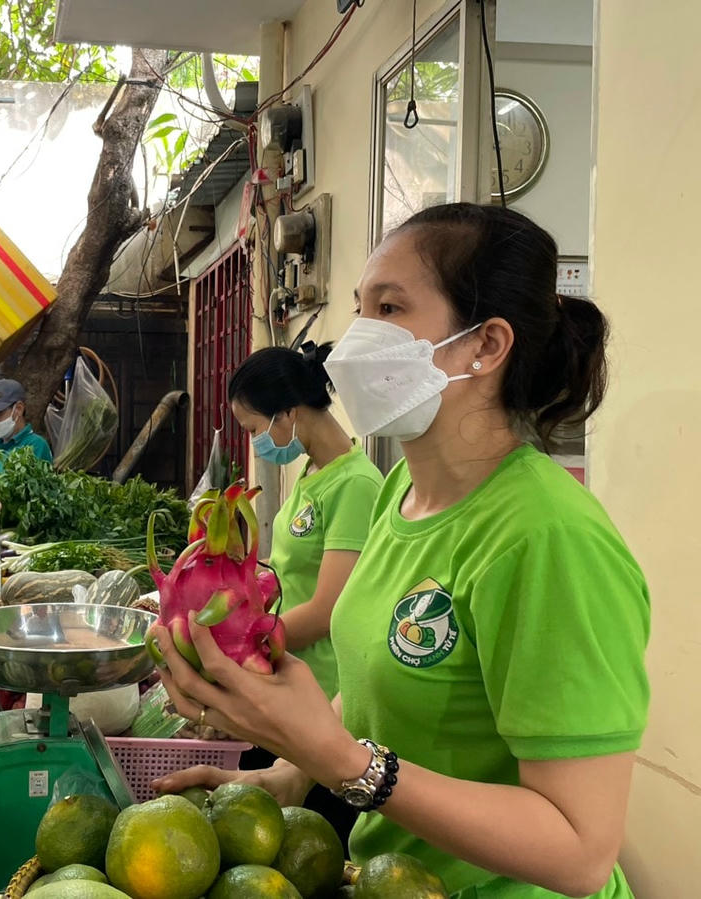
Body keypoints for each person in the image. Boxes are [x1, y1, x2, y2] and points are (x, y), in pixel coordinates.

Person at [153, 204, 649, 899]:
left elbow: (579, 851)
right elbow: (375, 692)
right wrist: (285, 771)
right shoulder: (399, 496)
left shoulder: (548, 537)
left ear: (486, 345)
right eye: (360, 308)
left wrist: (344, 761)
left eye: (390, 307)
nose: (357, 340)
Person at [227, 343, 383, 848]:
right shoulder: (312, 474)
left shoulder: (356, 485)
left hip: (327, 700)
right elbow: (291, 576)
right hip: (292, 683)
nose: (255, 445)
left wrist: (243, 652)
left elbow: (329, 607)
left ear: (289, 413)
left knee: (307, 848)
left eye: (254, 429)